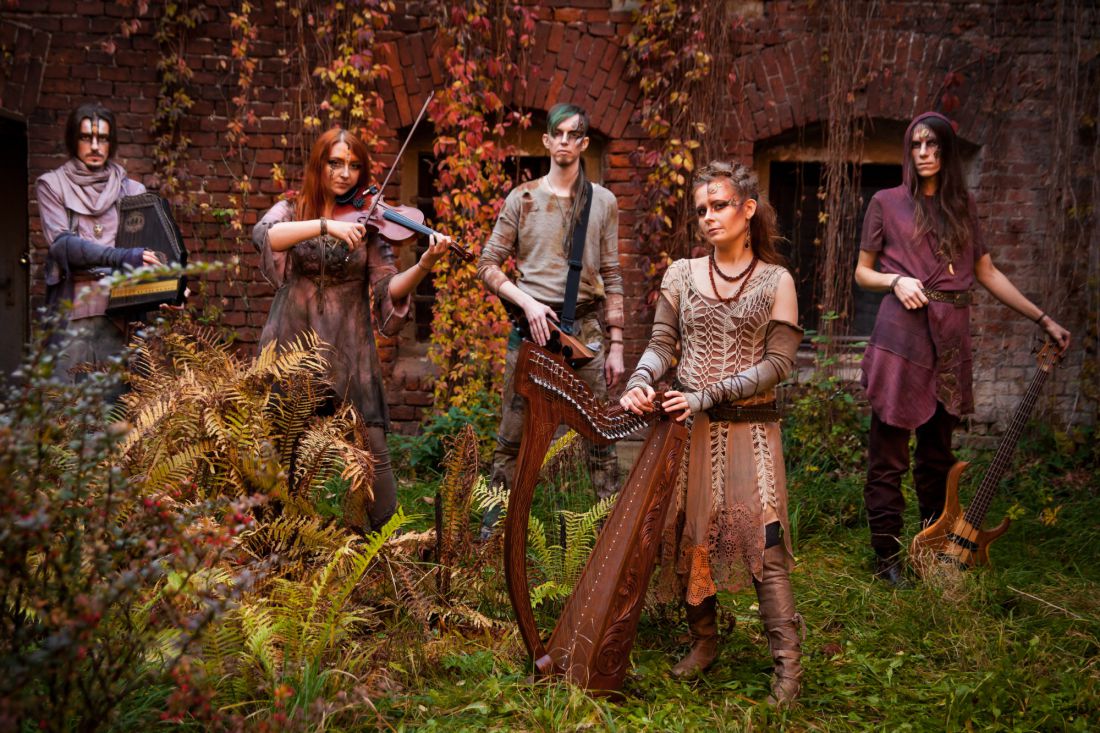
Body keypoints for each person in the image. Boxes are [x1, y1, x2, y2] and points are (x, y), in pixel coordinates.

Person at [855, 112, 1071, 586]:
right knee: (888, 456)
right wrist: (895, 281)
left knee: (937, 455)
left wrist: (1042, 318)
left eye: (933, 145)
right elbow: (863, 272)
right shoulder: (886, 202)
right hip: (901, 335)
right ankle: (887, 558)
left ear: (947, 151)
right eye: (916, 145)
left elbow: (987, 272)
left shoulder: (962, 205)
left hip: (950, 339)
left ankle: (932, 549)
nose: (924, 153)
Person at [620, 161, 804, 705]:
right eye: (701, 209)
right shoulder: (680, 274)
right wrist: (639, 379)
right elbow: (662, 344)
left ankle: (788, 670)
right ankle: (704, 643)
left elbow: (779, 364)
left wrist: (708, 394)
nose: (708, 216)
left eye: (719, 205)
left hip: (751, 433)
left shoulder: (776, 280)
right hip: (690, 433)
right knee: (690, 535)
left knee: (765, 543)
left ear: (748, 209)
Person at [252, 128, 450, 532]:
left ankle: (385, 547)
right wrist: (325, 225)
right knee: (277, 445)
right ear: (319, 165)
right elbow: (266, 236)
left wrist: (424, 265)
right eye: (336, 163)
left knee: (372, 449)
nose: (345, 173)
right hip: (291, 341)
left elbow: (388, 288)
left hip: (348, 349)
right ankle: (272, 541)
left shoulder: (369, 224)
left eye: (354, 165)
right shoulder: (291, 209)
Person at [477, 103, 625, 533]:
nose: (564, 141)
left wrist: (617, 344)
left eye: (572, 135)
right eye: (557, 134)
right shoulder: (521, 198)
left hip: (586, 332)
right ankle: (493, 534)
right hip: (532, 330)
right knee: (511, 437)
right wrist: (525, 302)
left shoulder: (603, 202)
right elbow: (487, 265)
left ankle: (611, 536)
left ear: (583, 143)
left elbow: (613, 273)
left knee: (600, 438)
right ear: (546, 140)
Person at [36, 102, 160, 379]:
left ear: (111, 142)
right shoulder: (53, 185)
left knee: (120, 401)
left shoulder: (132, 190)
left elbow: (150, 251)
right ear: (73, 139)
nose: (94, 146)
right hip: (73, 313)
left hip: (122, 313)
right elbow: (62, 245)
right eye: (85, 137)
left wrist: (171, 286)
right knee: (68, 401)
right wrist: (121, 256)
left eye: (102, 138)